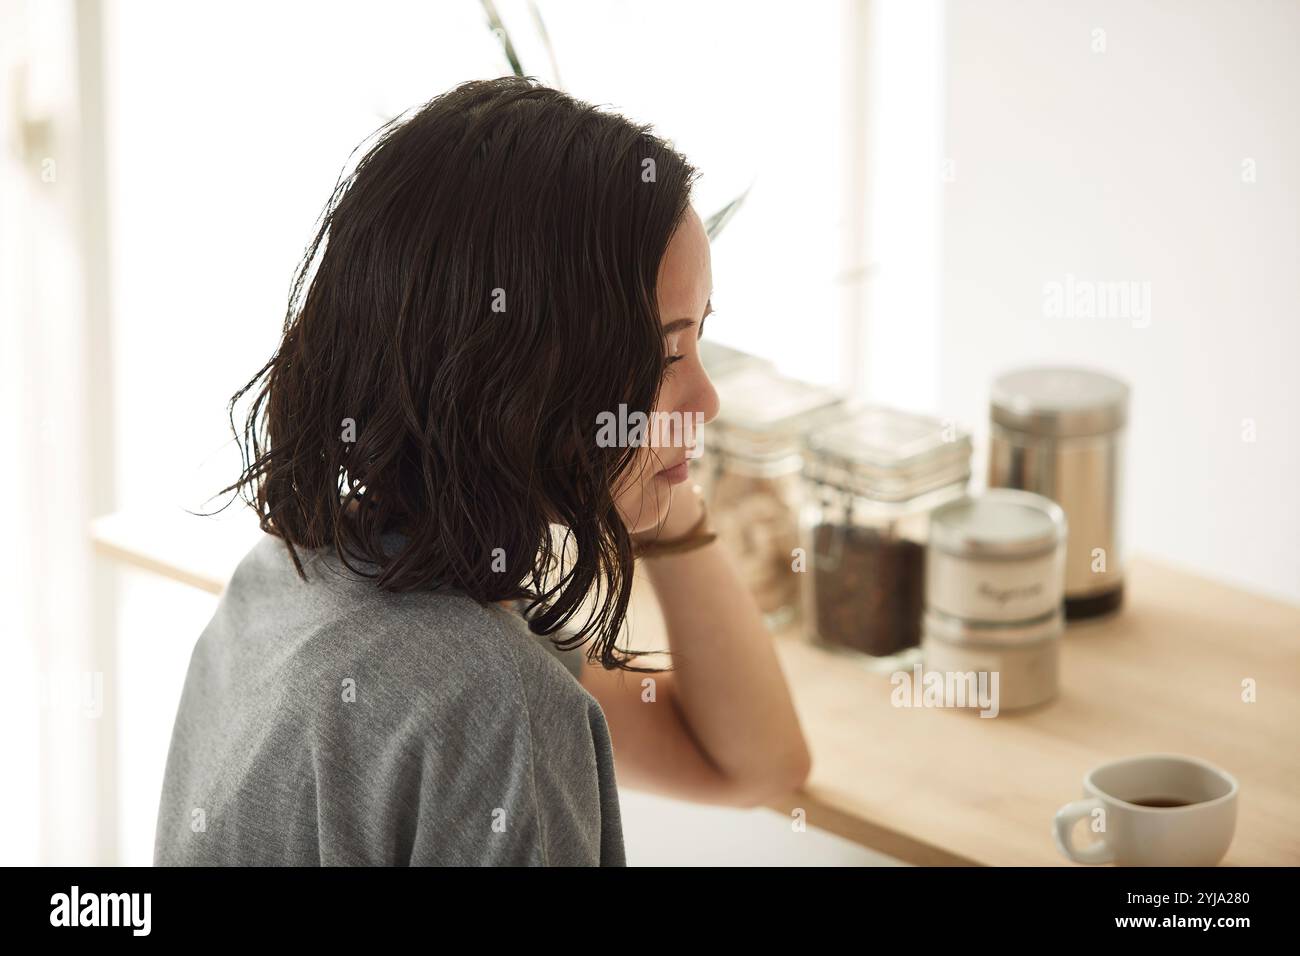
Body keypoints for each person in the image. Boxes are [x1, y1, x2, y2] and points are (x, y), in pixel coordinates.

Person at [154, 76, 811, 866]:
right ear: (514, 379)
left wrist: (661, 480)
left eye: (700, 340)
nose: (706, 399)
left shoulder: (291, 582)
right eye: (666, 354)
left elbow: (756, 762)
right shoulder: (490, 703)